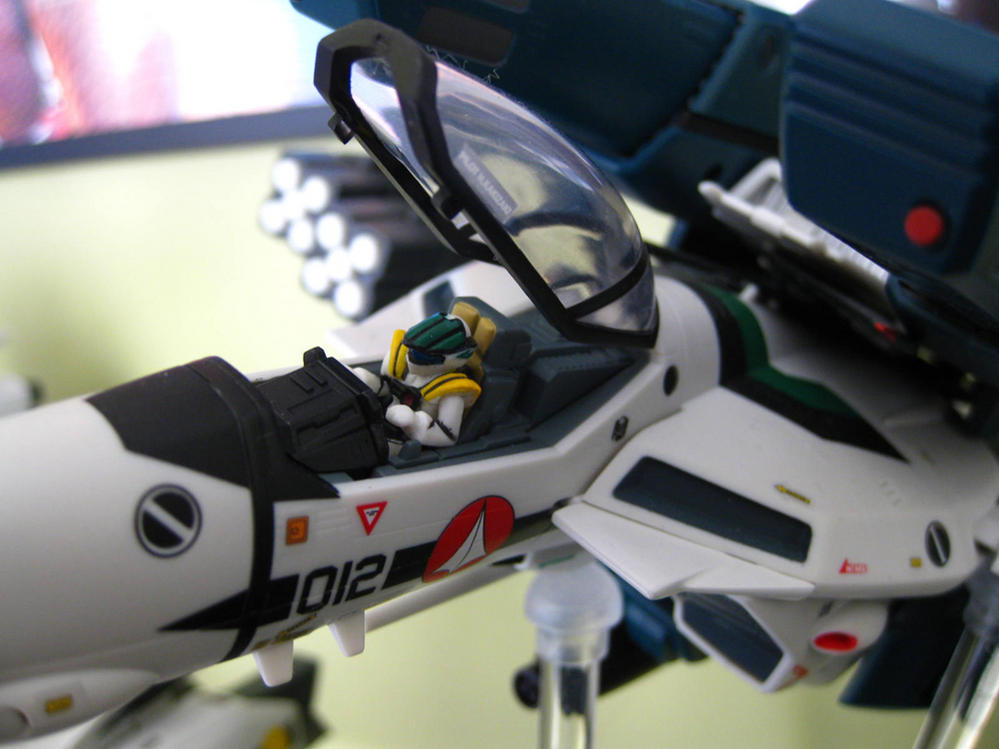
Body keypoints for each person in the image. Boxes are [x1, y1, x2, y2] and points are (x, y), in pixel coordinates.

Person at [353, 312, 482, 449]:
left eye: (422, 357)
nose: (411, 358)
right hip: (374, 415)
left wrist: (413, 422)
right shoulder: (401, 361)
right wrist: (371, 383)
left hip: (400, 440)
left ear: (457, 357)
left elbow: (447, 437)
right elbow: (388, 386)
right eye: (411, 350)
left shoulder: (452, 396)